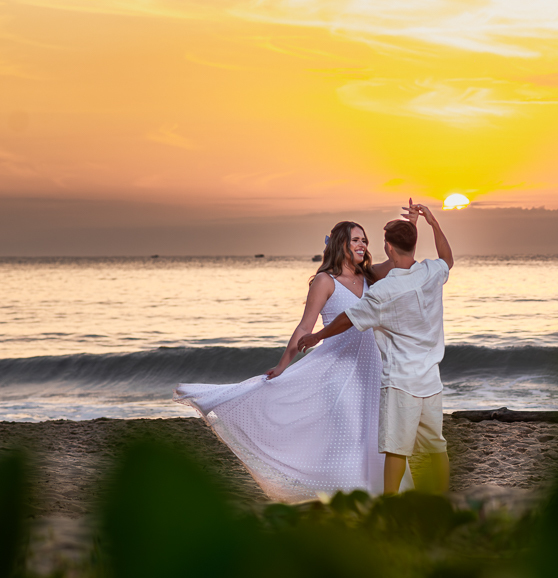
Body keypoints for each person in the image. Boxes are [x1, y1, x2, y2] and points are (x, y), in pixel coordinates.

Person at [174, 220, 404, 501]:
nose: (362, 245)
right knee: (348, 433)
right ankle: (347, 495)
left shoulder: (369, 277)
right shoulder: (325, 281)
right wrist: (284, 364)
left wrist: (411, 224)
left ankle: (375, 496)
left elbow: (397, 261)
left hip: (371, 371)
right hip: (336, 369)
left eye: (364, 240)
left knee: (372, 435)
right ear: (339, 244)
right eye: (355, 240)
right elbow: (305, 327)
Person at [299, 203, 453, 495]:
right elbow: (447, 257)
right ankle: (441, 501)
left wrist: (317, 334)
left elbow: (347, 319)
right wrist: (432, 222)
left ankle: (390, 505)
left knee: (396, 450)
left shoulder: (383, 292)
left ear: (388, 249)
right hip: (431, 381)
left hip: (400, 382)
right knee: (436, 448)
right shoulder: (432, 272)